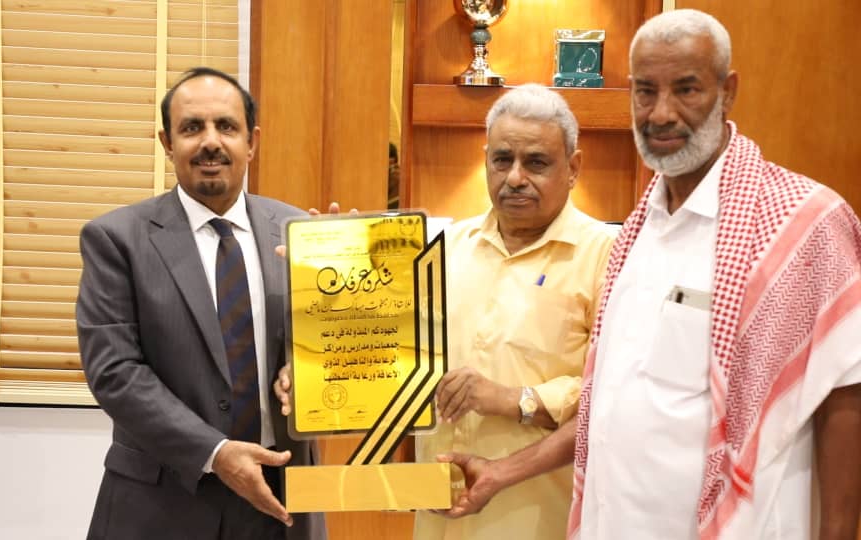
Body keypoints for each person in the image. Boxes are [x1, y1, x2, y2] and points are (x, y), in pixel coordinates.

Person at [439, 9, 861, 540]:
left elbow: (845, 389)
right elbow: (608, 403)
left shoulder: (802, 223)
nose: (662, 113)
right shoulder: (638, 234)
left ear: (727, 92)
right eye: (645, 91)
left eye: (686, 89)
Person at [275, 84, 616, 540]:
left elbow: (614, 398)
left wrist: (514, 399)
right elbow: (385, 353)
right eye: (502, 160)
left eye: (536, 162)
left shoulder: (609, 256)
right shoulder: (439, 250)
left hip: (540, 520)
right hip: (439, 517)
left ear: (573, 168)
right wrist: (317, 352)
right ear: (486, 160)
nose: (515, 177)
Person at [76, 67, 327, 540]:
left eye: (226, 126)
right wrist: (216, 452)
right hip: (162, 504)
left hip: (282, 501)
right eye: (192, 127)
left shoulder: (300, 231)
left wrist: (352, 278)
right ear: (167, 143)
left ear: (252, 142)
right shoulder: (117, 239)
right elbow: (114, 372)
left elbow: (328, 348)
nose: (211, 142)